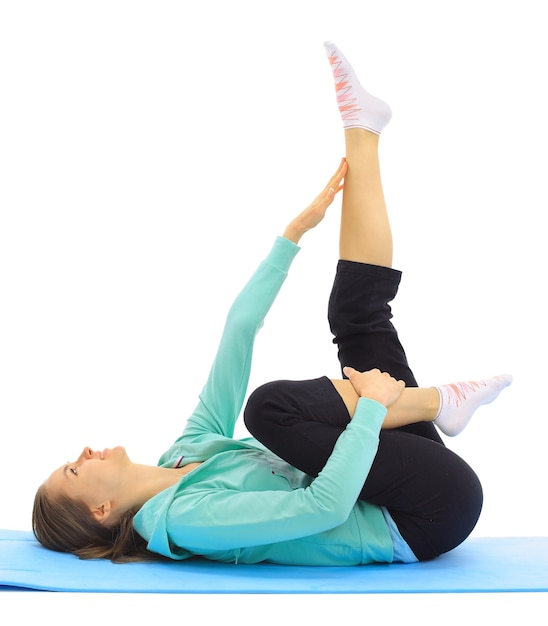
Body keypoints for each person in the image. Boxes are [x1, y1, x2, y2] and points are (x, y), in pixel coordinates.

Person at [32, 41, 512, 565]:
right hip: (421, 516)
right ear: (101, 509)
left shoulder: (188, 452)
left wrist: (291, 237)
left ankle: (363, 129)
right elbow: (325, 507)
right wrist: (371, 406)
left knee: (355, 317)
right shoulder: (179, 518)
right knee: (269, 409)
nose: (82, 453)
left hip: (394, 473)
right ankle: (441, 402)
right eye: (74, 471)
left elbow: (238, 330)